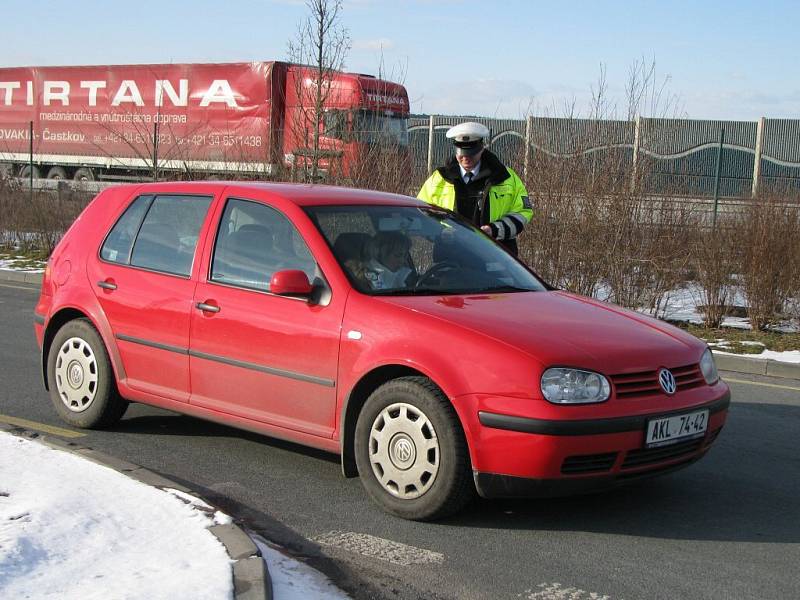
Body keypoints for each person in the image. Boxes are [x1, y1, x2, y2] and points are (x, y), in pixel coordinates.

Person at [417, 121, 532, 255]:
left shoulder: (505, 177)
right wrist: (439, 233)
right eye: (462, 153)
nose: (466, 158)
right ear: (455, 149)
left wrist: (494, 230)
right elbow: (420, 214)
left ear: (482, 148)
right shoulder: (439, 179)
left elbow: (522, 213)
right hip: (450, 259)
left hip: (497, 259)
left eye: (471, 153)